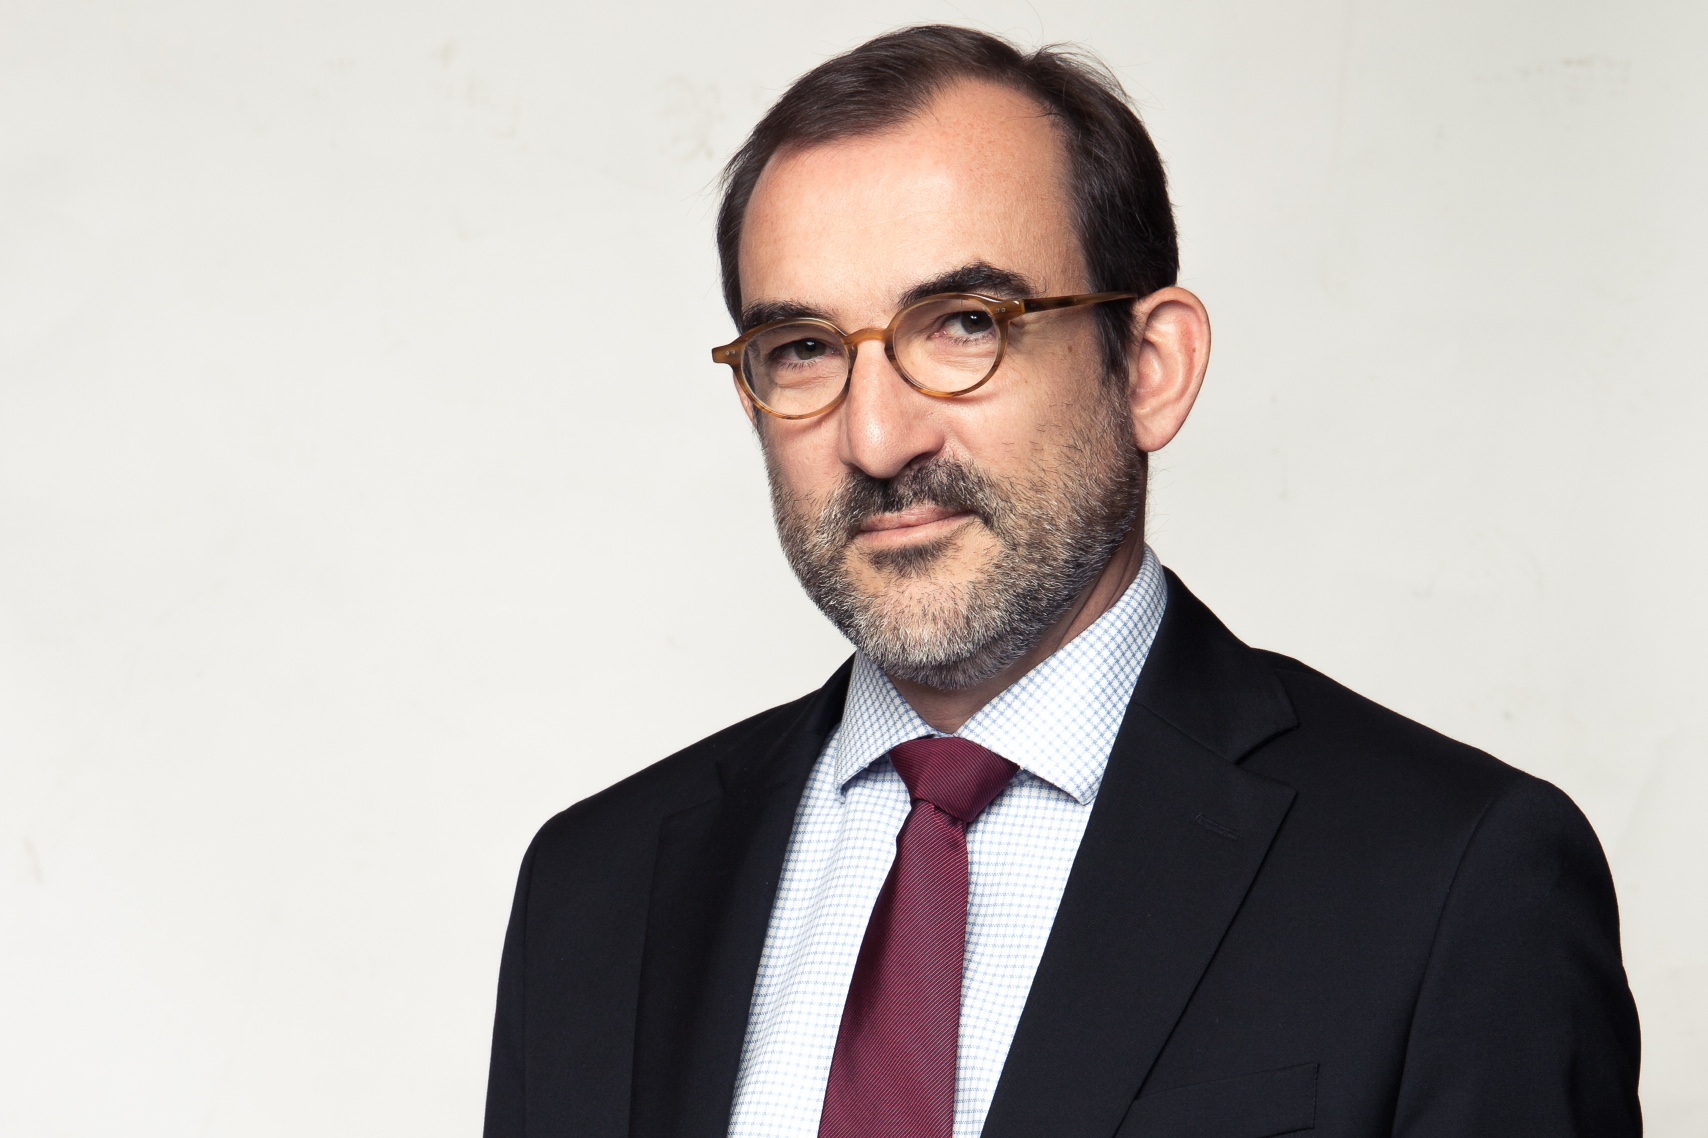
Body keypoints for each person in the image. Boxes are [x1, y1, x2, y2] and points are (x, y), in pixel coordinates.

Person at [483, 25, 1640, 1138]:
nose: (876, 438)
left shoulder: (1450, 880)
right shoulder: (595, 892)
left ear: (1150, 368)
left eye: (963, 324)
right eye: (804, 350)